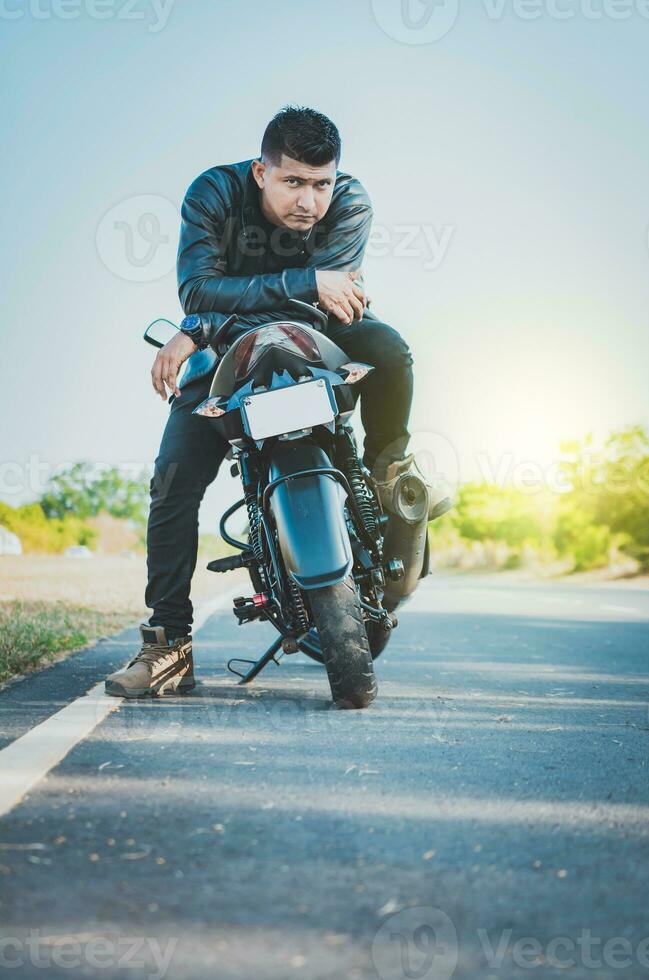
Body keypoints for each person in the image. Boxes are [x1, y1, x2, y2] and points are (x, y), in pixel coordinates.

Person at [105, 106, 451, 699]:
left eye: (321, 184)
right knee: (171, 481)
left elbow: (326, 304)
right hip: (227, 357)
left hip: (316, 337)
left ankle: (385, 470)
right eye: (293, 182)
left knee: (390, 348)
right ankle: (168, 645)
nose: (309, 202)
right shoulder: (213, 193)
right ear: (261, 172)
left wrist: (202, 324)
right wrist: (296, 285)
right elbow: (197, 287)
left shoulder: (350, 201)